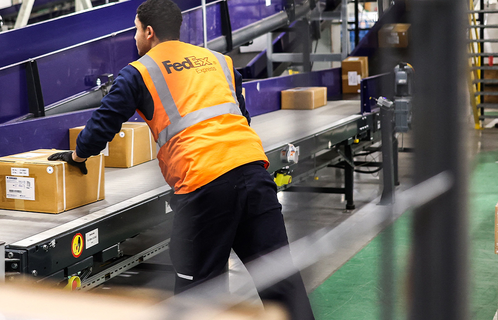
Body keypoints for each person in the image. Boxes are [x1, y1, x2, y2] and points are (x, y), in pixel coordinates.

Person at [47, 0, 315, 318]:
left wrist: (78, 156)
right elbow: (242, 116)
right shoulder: (220, 61)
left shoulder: (140, 71)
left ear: (148, 32)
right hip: (254, 172)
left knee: (198, 292)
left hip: (204, 187)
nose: (134, 38)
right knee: (280, 281)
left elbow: (102, 125)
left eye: (134, 30)